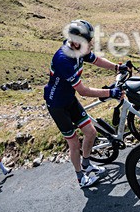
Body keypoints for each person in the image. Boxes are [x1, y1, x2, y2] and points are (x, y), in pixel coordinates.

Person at [43, 19, 126, 188]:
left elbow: (96, 60)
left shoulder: (79, 48)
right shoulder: (63, 59)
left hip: (69, 98)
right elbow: (83, 91)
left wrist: (117, 68)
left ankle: (87, 165)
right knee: (74, 143)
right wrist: (111, 93)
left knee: (91, 133)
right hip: (57, 105)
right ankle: (80, 177)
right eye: (89, 41)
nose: (91, 43)